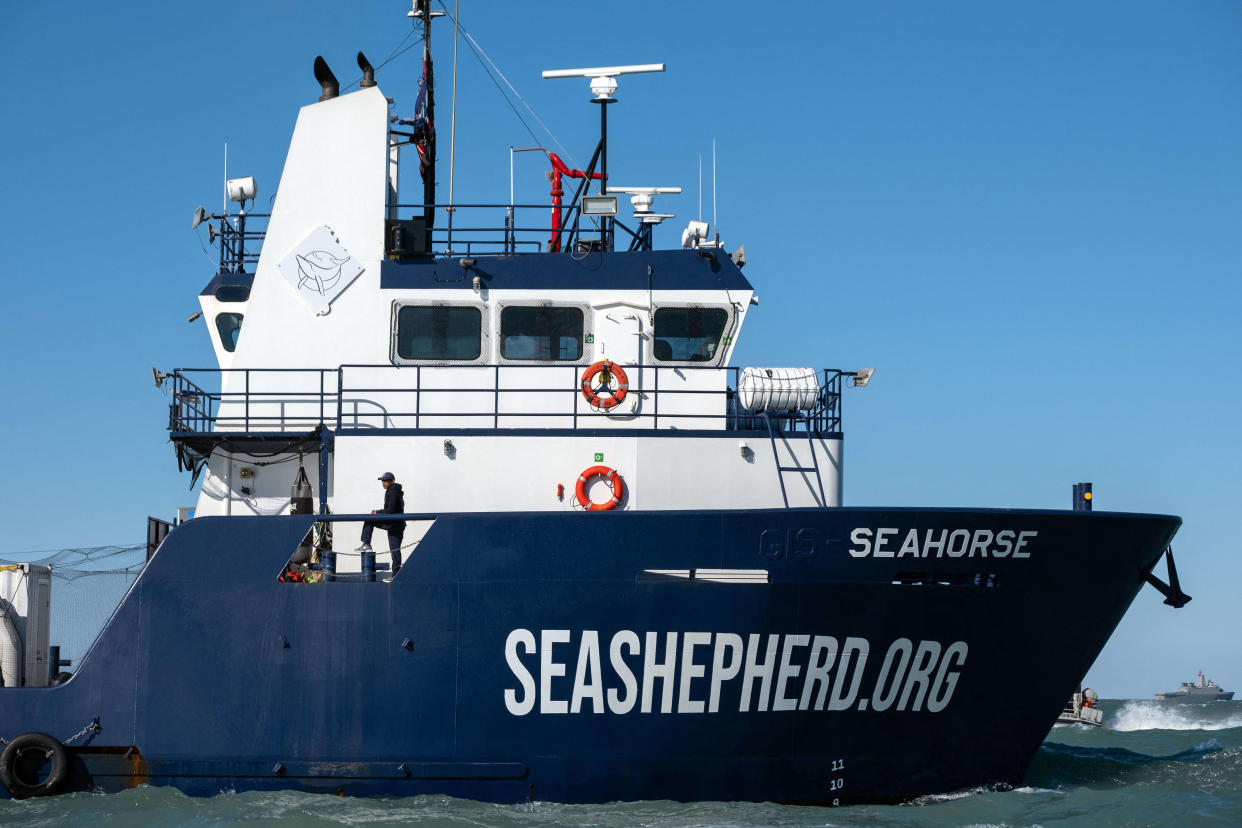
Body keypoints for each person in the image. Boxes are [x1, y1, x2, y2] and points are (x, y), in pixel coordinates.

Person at [356, 472, 405, 574]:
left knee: (395, 551)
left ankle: (396, 574)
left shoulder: (393, 492)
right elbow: (391, 510)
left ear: (392, 481)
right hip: (394, 524)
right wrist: (378, 512)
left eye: (385, 480)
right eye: (382, 481)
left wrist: (377, 512)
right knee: (395, 551)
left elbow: (390, 511)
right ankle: (366, 544)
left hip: (394, 525)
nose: (383, 483)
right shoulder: (392, 491)